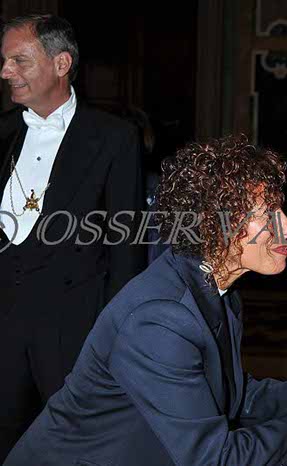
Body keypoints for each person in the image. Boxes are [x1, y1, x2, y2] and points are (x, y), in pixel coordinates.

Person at [4, 134, 287, 466]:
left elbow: (229, 396)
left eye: (280, 209)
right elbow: (215, 458)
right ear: (215, 226)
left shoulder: (214, 288)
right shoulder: (159, 320)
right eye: (267, 214)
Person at [0, 14, 145, 459]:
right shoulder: (2, 131)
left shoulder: (115, 138)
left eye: (19, 61)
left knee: (76, 450)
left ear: (61, 64)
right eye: (5, 61)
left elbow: (127, 248)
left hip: (73, 333)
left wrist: (115, 337)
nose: (5, 71)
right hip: (3, 325)